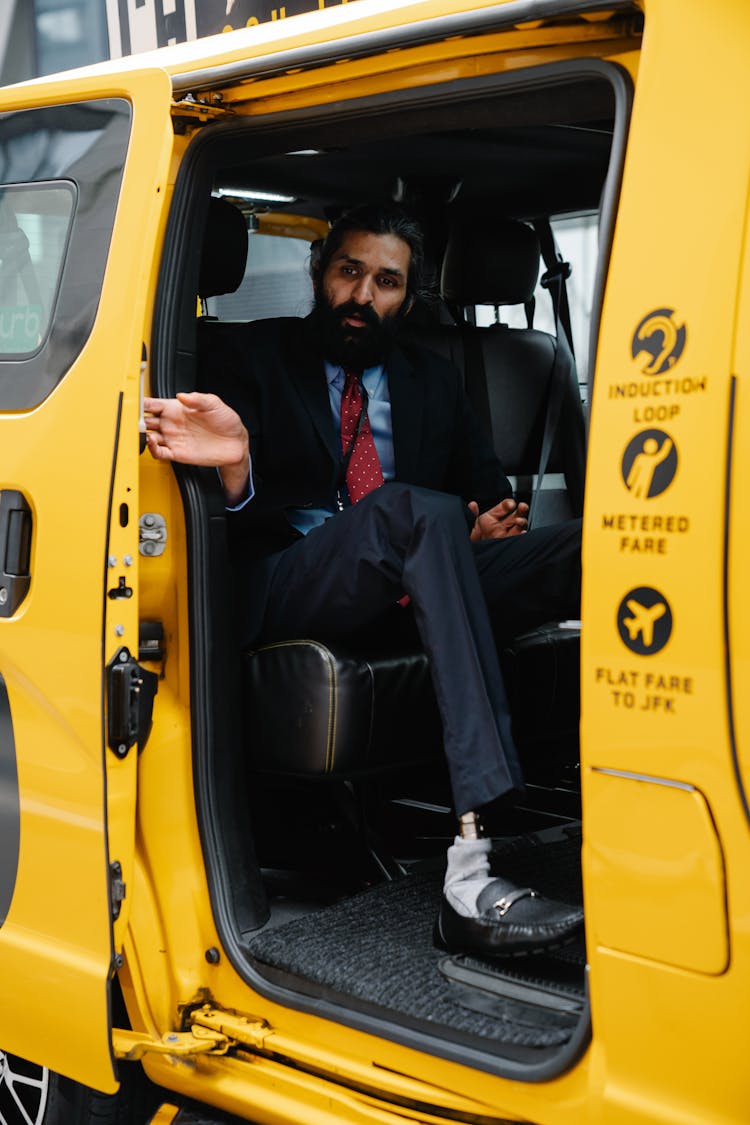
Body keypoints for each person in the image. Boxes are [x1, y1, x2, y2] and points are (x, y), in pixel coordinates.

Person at [145, 203, 584, 959]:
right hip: (293, 576)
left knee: (591, 544)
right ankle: (470, 872)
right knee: (413, 512)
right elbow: (215, 519)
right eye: (350, 272)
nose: (362, 296)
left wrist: (478, 526)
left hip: (418, 577)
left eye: (386, 282)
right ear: (321, 272)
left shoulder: (434, 381)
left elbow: (480, 493)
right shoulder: (249, 357)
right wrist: (238, 468)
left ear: (406, 299)